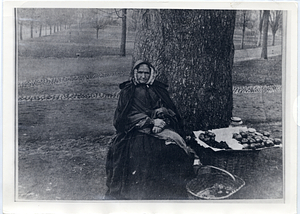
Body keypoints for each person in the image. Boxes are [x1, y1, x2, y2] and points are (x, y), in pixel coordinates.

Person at [105, 60, 195, 200]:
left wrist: (162, 119)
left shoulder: (158, 89)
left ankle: (167, 191)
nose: (143, 76)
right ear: (135, 73)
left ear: (151, 73)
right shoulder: (127, 91)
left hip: (161, 127)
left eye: (146, 73)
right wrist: (151, 121)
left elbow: (169, 109)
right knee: (142, 154)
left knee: (175, 149)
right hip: (135, 129)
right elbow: (124, 116)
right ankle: (141, 193)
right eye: (140, 72)